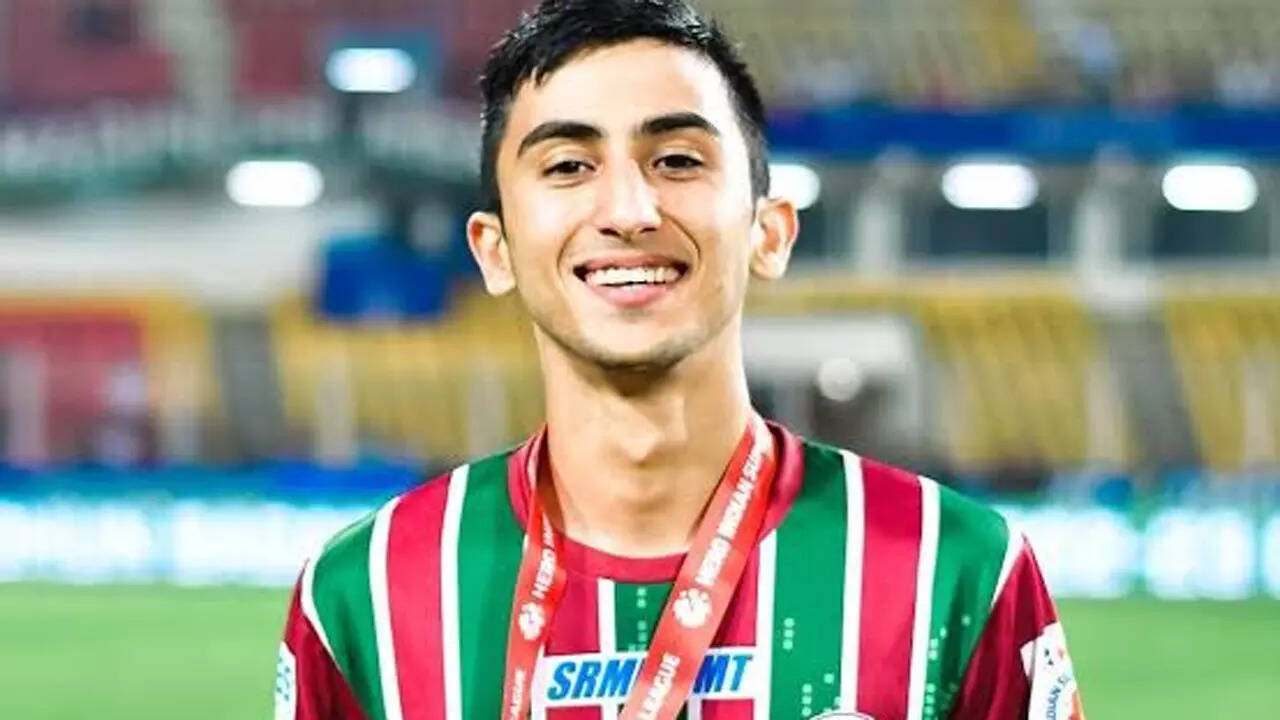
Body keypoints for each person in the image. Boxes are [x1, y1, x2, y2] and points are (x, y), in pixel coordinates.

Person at [274, 1, 1084, 719]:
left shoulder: (959, 575)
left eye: (678, 160)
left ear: (770, 232)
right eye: (568, 167)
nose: (629, 211)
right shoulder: (361, 598)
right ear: (495, 250)